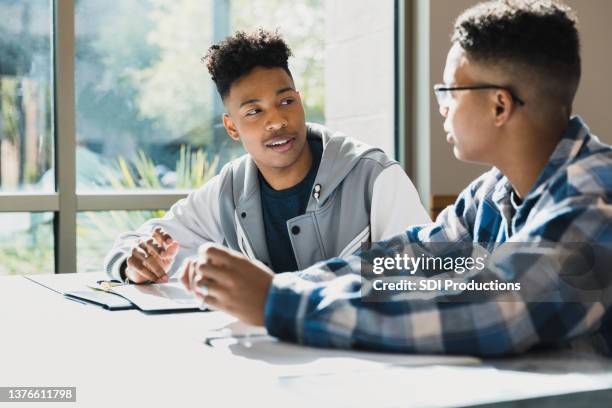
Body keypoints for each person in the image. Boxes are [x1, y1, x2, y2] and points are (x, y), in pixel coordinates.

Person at [182, 0, 612, 356]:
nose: (441, 106)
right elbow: (405, 264)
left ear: (500, 106)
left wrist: (278, 303)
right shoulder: (492, 194)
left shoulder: (595, 197)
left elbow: (497, 312)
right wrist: (272, 287)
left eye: (449, 92)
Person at [104, 29, 430, 284]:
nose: (276, 121)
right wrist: (136, 264)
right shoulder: (228, 190)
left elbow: (432, 276)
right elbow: (134, 243)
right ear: (232, 127)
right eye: (254, 111)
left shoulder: (374, 177)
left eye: (286, 102)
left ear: (300, 101)